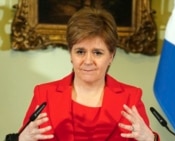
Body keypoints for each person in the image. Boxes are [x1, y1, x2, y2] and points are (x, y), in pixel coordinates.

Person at [6, 7, 160, 141]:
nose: (88, 61)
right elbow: (26, 136)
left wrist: (149, 139)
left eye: (97, 53)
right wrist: (21, 139)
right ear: (70, 54)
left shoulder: (130, 97)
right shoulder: (44, 94)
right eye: (80, 52)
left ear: (111, 56)